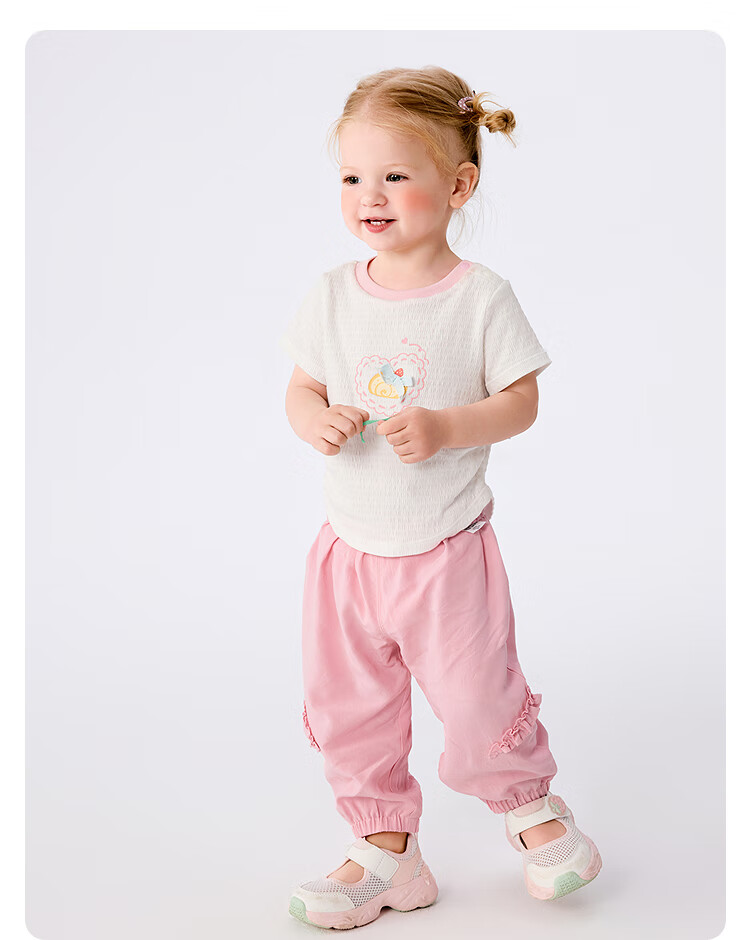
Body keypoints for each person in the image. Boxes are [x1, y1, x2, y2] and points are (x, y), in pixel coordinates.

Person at [279, 66, 601, 931]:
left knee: (475, 695)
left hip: (445, 553)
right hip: (347, 557)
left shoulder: (479, 298)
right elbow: (301, 386)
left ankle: (535, 814)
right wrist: (314, 419)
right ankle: (388, 852)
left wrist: (450, 426)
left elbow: (521, 401)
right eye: (352, 176)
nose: (369, 196)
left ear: (458, 186)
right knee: (349, 709)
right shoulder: (332, 295)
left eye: (395, 175)